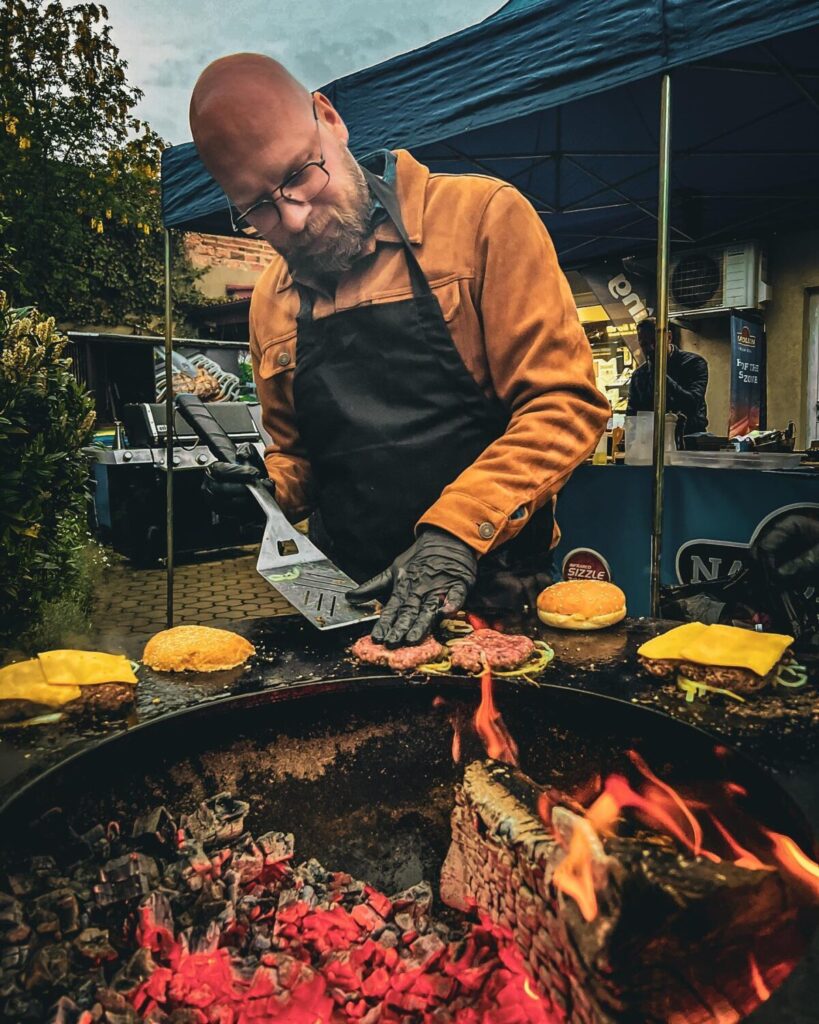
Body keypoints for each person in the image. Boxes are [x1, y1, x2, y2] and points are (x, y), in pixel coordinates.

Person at [188, 54, 610, 646]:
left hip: (492, 597)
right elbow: (302, 456)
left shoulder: (481, 219)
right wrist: (265, 486)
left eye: (299, 175)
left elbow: (564, 403)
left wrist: (455, 534)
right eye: (259, 207)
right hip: (346, 605)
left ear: (330, 119)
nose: (295, 217)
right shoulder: (269, 301)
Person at [626, 319, 708, 434]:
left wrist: (660, 375)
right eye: (644, 344)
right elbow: (632, 415)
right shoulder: (639, 376)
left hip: (689, 437)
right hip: (651, 438)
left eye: (655, 341)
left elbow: (692, 403)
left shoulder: (693, 363)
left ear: (669, 337)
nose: (650, 348)